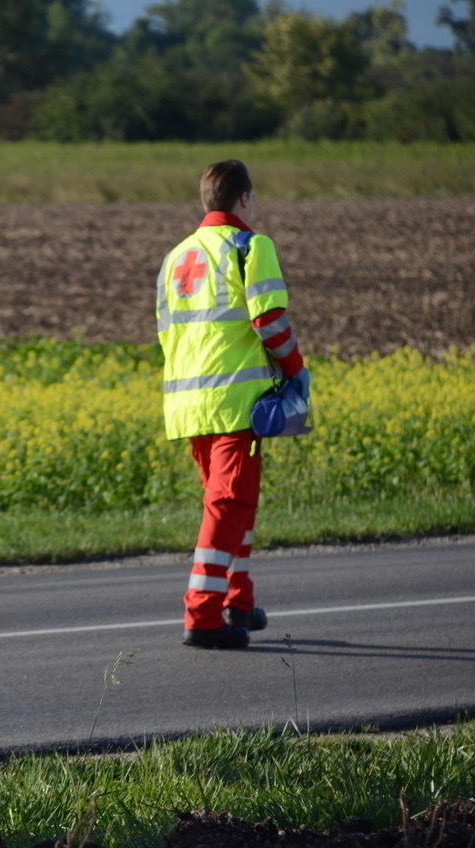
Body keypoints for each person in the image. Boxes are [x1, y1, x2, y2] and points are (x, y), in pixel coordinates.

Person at [154, 160, 310, 650]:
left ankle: (238, 601)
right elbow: (269, 322)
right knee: (228, 505)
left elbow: (166, 334)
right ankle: (202, 616)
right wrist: (295, 370)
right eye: (254, 199)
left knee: (233, 504)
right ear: (244, 198)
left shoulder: (176, 256)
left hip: (187, 403)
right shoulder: (250, 246)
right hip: (235, 402)